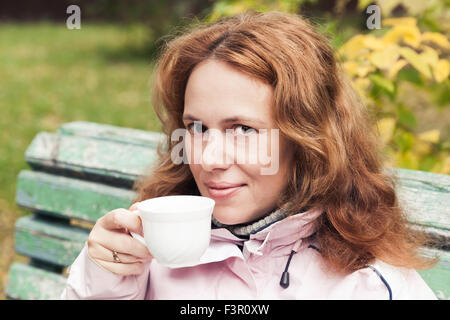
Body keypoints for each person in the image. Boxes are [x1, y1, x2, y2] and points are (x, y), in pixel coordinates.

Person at [61, 10, 437, 300]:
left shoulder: (367, 285)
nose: (210, 159)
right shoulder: (150, 254)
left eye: (242, 130)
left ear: (307, 139)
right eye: (196, 127)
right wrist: (103, 277)